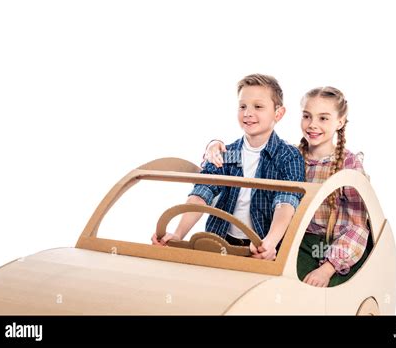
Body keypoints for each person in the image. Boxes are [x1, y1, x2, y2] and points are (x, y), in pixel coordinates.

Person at [204, 86, 370, 286]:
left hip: (333, 247)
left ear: (340, 122)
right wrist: (214, 145)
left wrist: (327, 269)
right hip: (290, 241)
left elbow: (357, 227)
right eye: (307, 116)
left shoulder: (348, 165)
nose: (312, 125)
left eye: (323, 118)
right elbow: (246, 154)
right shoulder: (289, 156)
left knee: (294, 286)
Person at [151, 74, 305, 260]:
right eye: (242, 106)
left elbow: (286, 203)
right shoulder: (224, 153)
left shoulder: (288, 156)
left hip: (263, 247)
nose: (248, 113)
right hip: (220, 242)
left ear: (278, 113)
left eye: (258, 106)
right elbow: (201, 194)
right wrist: (177, 235)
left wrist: (270, 242)